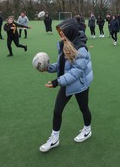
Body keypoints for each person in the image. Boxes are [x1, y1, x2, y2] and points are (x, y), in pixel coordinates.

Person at [39, 18, 93, 153]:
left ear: (70, 30)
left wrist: (57, 82)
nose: (61, 34)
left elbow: (75, 72)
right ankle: (54, 139)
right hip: (66, 82)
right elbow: (62, 64)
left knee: (84, 108)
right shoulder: (65, 43)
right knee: (57, 111)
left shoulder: (81, 48)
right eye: (60, 32)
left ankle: (87, 130)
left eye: (63, 32)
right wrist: (48, 68)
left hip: (80, 84)